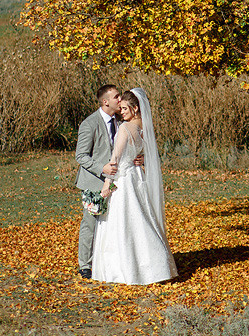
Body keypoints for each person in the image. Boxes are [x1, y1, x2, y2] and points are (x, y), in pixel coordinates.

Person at [91, 87, 177, 284]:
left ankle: (124, 270)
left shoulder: (125, 128)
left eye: (124, 108)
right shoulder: (143, 128)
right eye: (120, 108)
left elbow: (115, 160)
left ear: (135, 108)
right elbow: (146, 152)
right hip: (137, 177)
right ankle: (155, 267)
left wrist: (107, 184)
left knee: (123, 224)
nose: (121, 112)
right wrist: (142, 158)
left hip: (123, 180)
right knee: (141, 219)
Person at [74, 84, 123, 279]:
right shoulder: (90, 123)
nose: (120, 99)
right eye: (116, 97)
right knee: (90, 223)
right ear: (105, 101)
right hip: (93, 182)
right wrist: (102, 168)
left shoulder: (120, 121)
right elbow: (81, 156)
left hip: (117, 181)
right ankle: (85, 265)